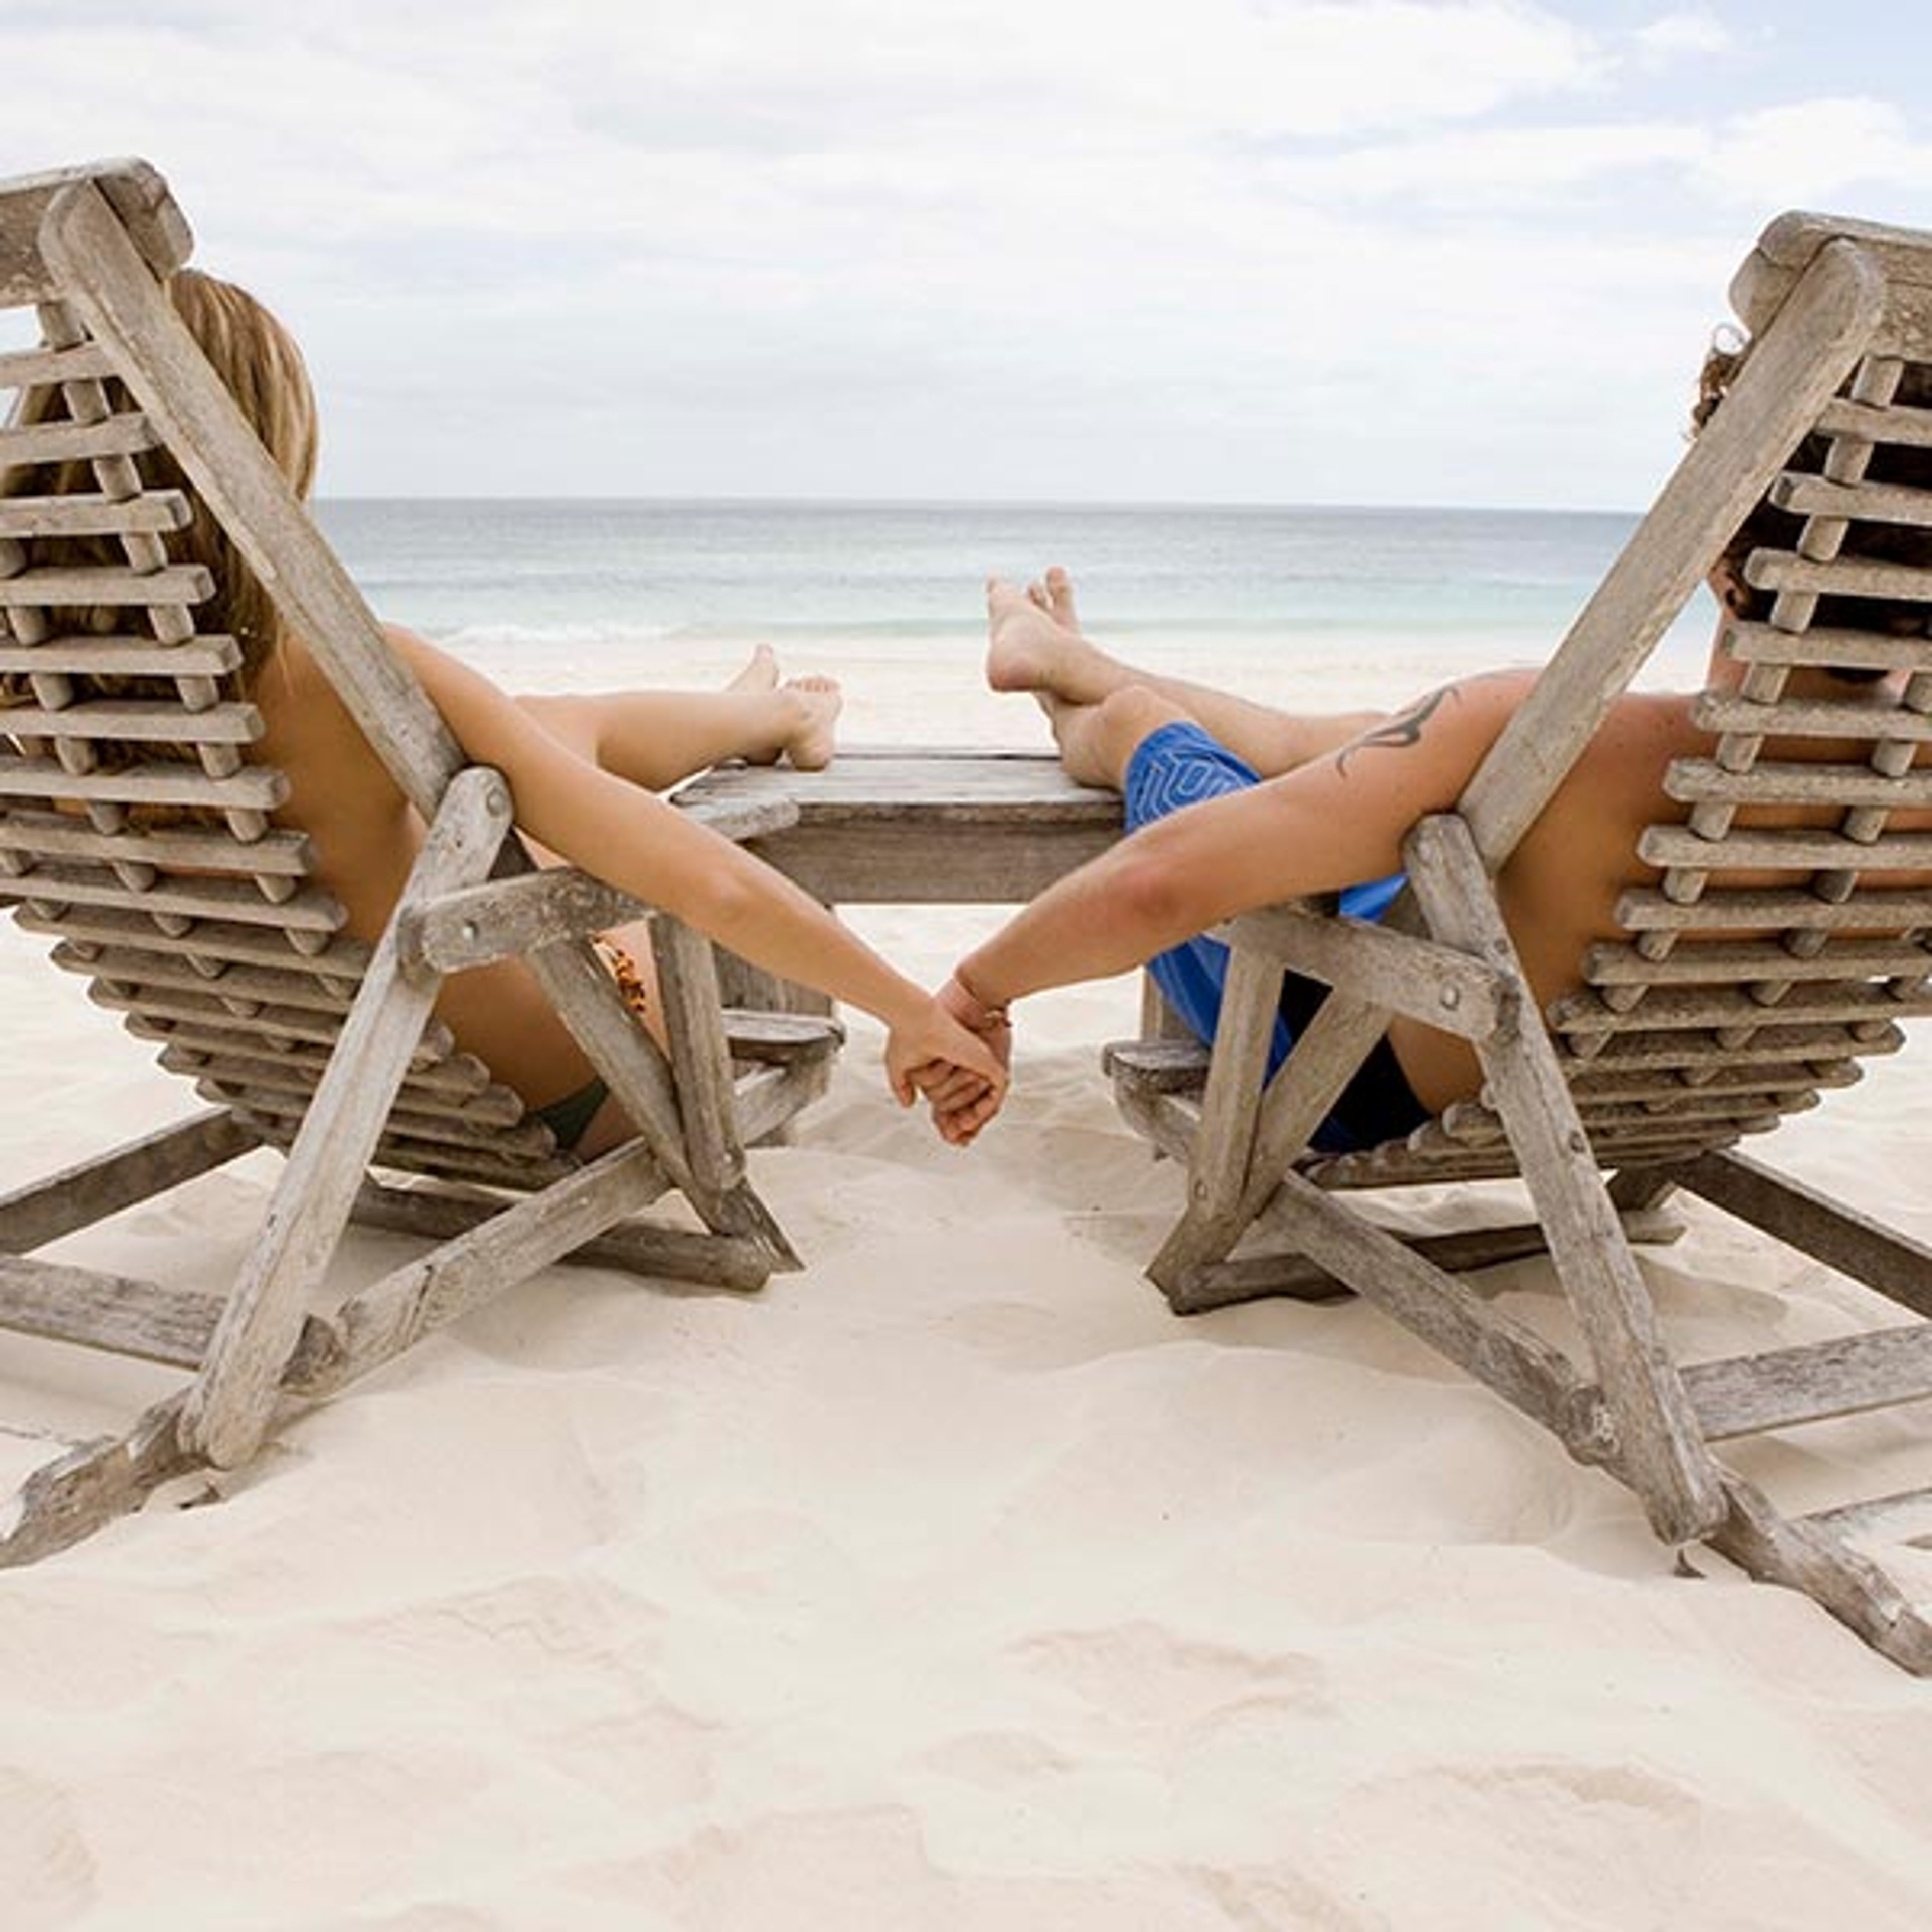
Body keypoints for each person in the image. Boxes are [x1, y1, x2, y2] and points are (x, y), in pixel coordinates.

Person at [1, 269, 1005, 1153]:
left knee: (525, 736)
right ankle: (771, 717)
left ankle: (757, 713)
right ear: (261, 454)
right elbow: (711, 886)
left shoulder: (31, 709)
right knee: (543, 762)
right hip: (566, 1095)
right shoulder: (344, 680)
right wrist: (911, 1010)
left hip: (311, 1089)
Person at [923, 350, 1932, 1149]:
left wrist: (978, 988)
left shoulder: (1558, 731)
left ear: (1719, 548)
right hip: (1642, 1093)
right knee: (1332, 746)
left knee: (1154, 729)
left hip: (1341, 1072)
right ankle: (1066, 657)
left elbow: (1158, 890)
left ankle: (1083, 695)